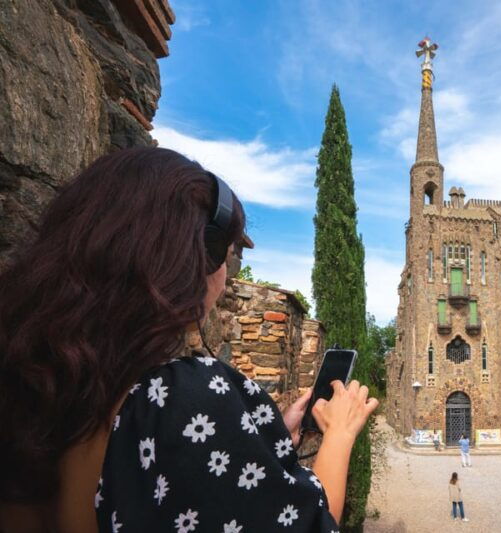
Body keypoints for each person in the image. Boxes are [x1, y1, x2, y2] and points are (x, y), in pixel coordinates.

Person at [0, 147, 379, 532]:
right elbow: (312, 522)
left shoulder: (33, 370)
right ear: (195, 255)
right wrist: (340, 433)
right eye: (228, 257)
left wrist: (247, 439)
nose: (228, 277)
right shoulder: (177, 398)